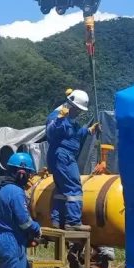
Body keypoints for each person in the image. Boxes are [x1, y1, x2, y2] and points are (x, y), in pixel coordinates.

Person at [45, 89, 102, 231]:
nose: (79, 112)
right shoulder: (58, 116)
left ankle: (57, 221)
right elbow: (51, 133)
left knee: (61, 190)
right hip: (62, 157)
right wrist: (59, 120)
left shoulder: (70, 119)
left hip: (62, 157)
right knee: (74, 187)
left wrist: (90, 130)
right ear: (71, 105)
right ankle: (73, 222)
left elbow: (75, 134)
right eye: (78, 109)